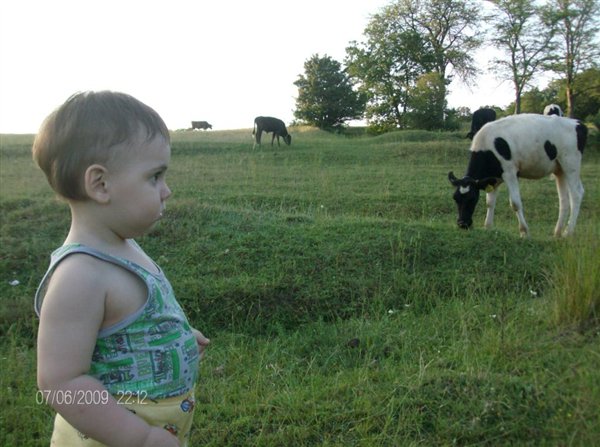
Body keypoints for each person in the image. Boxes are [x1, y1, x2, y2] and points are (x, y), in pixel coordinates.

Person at [32, 91, 210, 447]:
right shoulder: (80, 276)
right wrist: (139, 437)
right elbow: (61, 383)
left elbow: (130, 326)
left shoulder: (124, 247)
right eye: (154, 177)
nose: (167, 191)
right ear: (100, 184)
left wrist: (174, 340)